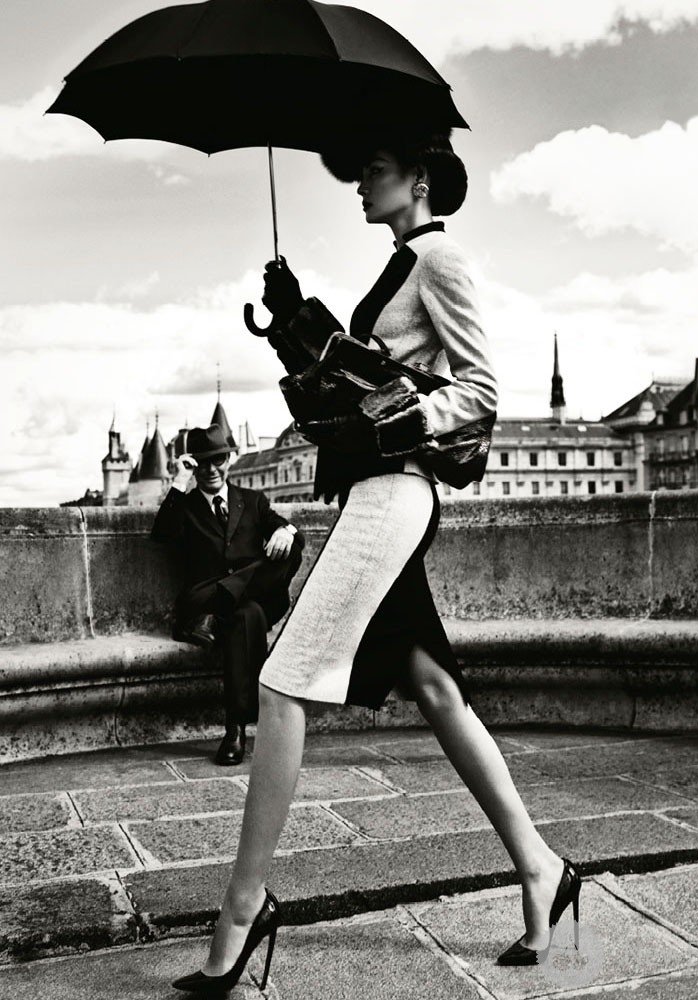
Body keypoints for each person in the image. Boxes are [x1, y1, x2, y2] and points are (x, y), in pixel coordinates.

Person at [172, 132, 580, 993]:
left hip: (395, 494)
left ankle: (242, 910)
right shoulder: (401, 266)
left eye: (376, 170)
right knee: (434, 688)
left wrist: (401, 421)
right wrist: (292, 318)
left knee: (282, 683)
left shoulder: (442, 260)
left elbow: (478, 391)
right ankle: (542, 868)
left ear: (419, 180)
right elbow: (357, 377)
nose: (361, 182)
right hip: (376, 493)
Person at [152, 423, 304, 766]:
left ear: (230, 460)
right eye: (202, 463)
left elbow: (292, 540)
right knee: (246, 615)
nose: (211, 469)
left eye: (217, 460)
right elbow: (162, 534)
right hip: (205, 598)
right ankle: (236, 728)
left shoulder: (252, 501)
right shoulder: (186, 505)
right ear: (193, 465)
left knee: (290, 549)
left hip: (218, 610)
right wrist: (179, 480)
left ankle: (219, 614)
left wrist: (286, 530)